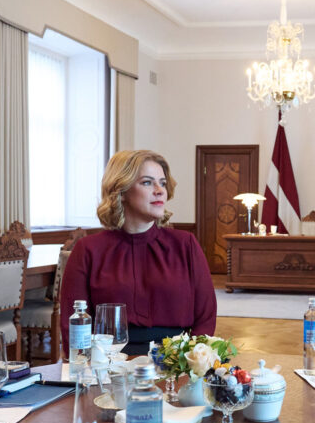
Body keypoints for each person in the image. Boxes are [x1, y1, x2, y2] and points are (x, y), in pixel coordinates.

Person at [60, 149, 216, 355]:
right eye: (147, 182)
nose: (160, 190)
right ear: (121, 191)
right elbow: (74, 326)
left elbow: (205, 318)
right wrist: (89, 367)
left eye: (162, 183)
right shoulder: (88, 250)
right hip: (108, 361)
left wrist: (191, 361)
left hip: (175, 360)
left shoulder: (185, 244)